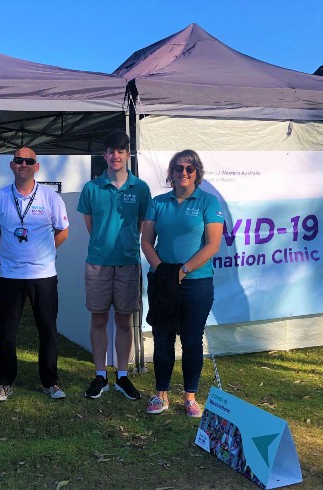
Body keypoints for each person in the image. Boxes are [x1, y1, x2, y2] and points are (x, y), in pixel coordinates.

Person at [141, 149, 223, 417]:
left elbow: (212, 244)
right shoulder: (158, 202)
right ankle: (160, 394)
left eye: (190, 168)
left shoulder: (208, 202)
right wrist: (164, 271)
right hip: (163, 281)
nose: (184, 173)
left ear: (197, 173)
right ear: (171, 173)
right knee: (163, 339)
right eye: (178, 168)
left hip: (196, 283)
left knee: (191, 340)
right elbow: (146, 241)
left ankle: (190, 397)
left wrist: (184, 270)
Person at [0, 147, 69, 402]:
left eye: (28, 161)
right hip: (10, 275)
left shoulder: (50, 197)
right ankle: (4, 382)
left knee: (47, 330)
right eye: (19, 161)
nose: (23, 165)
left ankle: (50, 381)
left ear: (37, 166)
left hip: (43, 275)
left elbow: (63, 231)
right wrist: (13, 250)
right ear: (11, 165)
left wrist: (43, 251)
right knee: (7, 331)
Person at [77, 130, 151, 401]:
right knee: (98, 318)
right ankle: (100, 375)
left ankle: (122, 376)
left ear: (128, 155)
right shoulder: (92, 188)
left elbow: (142, 224)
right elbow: (90, 225)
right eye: (110, 151)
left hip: (128, 263)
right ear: (105, 155)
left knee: (124, 319)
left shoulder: (140, 188)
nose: (115, 155)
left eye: (120, 151)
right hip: (98, 263)